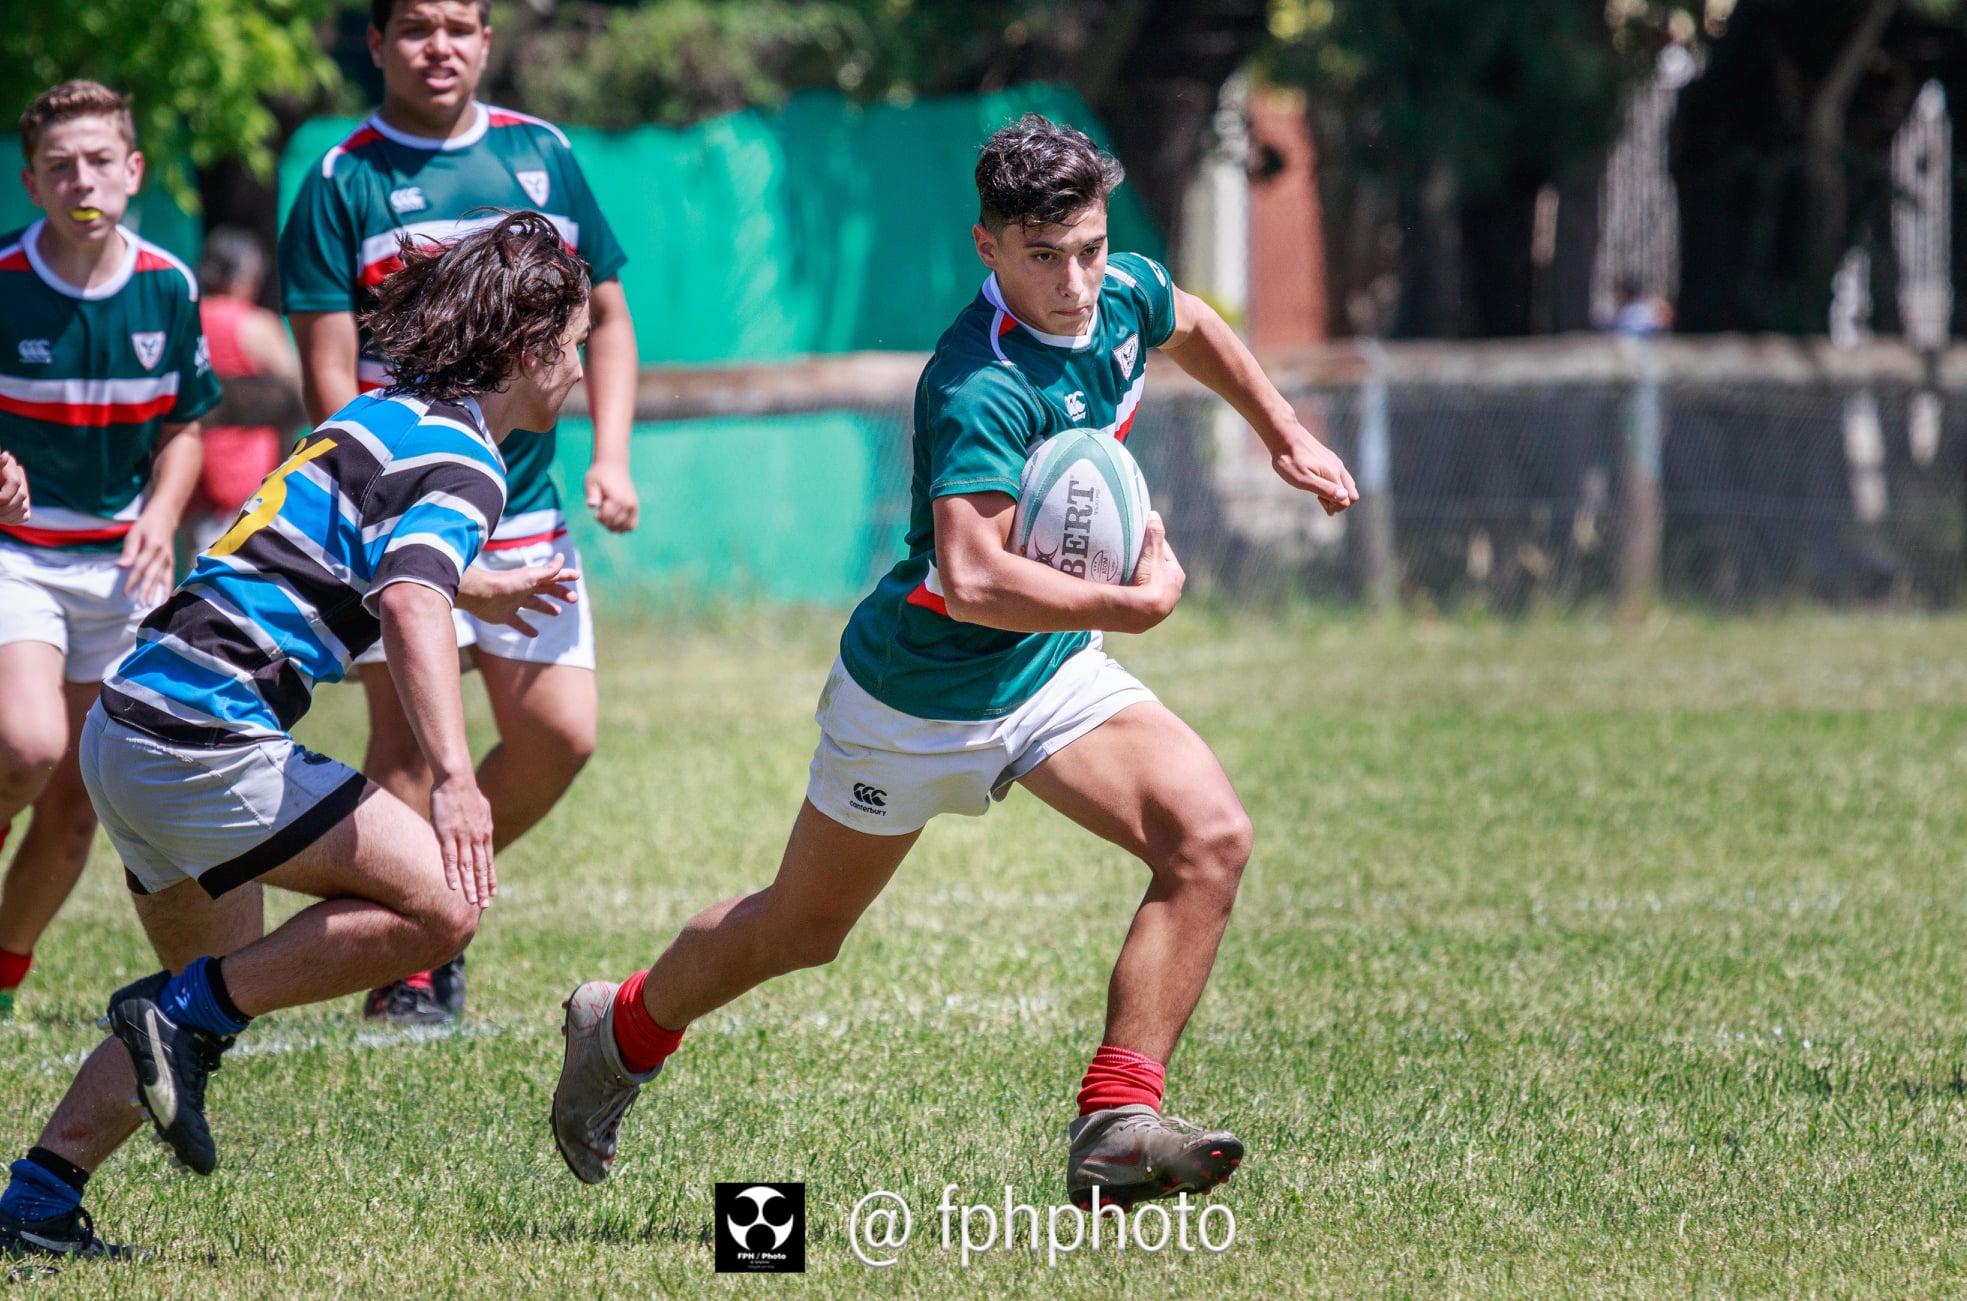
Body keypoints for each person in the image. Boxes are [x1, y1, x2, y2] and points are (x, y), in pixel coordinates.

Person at [550, 115, 1359, 1208]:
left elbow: (1189, 319)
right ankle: (623, 1026)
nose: (1074, 281)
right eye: (1042, 257)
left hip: (1047, 671)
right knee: (800, 929)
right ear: (987, 246)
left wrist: (1279, 431)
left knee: (1207, 836)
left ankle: (1117, 1118)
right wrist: (1131, 602)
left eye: (1086, 247)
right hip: (916, 698)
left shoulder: (1117, 289)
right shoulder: (976, 382)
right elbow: (972, 576)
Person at [0, 211, 591, 1265]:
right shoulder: (468, 460)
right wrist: (455, 779)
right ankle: (173, 1014)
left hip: (129, 726)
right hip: (206, 735)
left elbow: (359, 550)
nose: (582, 370)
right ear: (529, 344)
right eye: (576, 343)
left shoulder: (385, 412)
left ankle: (39, 1196)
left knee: (210, 1000)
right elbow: (409, 598)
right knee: (446, 903)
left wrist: (484, 582)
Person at [280, 0, 641, 1025]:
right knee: (400, 748)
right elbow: (327, 368)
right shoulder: (342, 175)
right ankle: (407, 956)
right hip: (404, 506)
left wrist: (610, 453)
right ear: (378, 43)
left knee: (559, 735)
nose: (438, 46)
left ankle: (428, 900)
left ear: (487, 40)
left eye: (457, 26)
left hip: (525, 508)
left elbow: (605, 315)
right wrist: (373, 489)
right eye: (415, 27)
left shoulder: (544, 155)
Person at [0, 81, 217, 1020]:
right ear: (31, 183)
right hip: (19, 555)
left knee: (84, 795)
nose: (80, 180)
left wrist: (161, 517)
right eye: (60, 166)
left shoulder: (168, 285)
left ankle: (3, 974)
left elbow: (185, 430)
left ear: (132, 172)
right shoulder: (5, 283)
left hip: (120, 568)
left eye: (98, 162)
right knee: (27, 744)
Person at [183, 227, 301, 554]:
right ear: (244, 275)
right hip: (245, 489)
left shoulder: (185, 321)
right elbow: (298, 399)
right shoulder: (256, 326)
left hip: (188, 484)